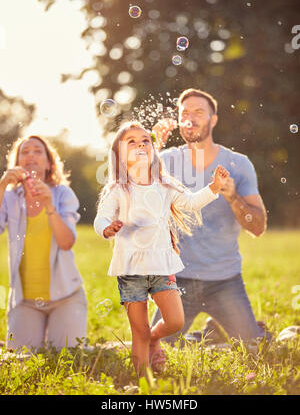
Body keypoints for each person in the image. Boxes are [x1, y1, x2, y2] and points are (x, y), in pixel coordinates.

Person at [93, 121, 229, 375]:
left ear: (153, 150)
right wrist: (106, 228)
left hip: (161, 265)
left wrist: (213, 188)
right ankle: (143, 382)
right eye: (131, 141)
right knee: (139, 331)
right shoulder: (117, 189)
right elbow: (101, 217)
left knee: (176, 321)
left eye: (145, 140)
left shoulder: (166, 186)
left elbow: (190, 203)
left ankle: (155, 338)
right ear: (119, 154)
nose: (140, 144)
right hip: (131, 268)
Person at [151, 88, 269, 346]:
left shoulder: (238, 164)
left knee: (254, 350)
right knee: (155, 349)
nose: (190, 118)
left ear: (213, 119)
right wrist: (150, 149)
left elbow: (258, 227)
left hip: (225, 281)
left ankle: (250, 331)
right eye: (185, 113)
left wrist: (233, 196)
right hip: (177, 281)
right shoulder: (164, 160)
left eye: (199, 112)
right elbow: (129, 196)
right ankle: (205, 336)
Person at [0, 135, 87, 352]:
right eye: (25, 151)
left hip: (65, 297)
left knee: (69, 357)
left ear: (49, 164)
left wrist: (49, 205)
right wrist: (2, 186)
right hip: (25, 300)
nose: (30, 155)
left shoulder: (62, 194)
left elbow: (66, 242)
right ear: (17, 162)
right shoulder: (10, 198)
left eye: (38, 151)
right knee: (21, 362)